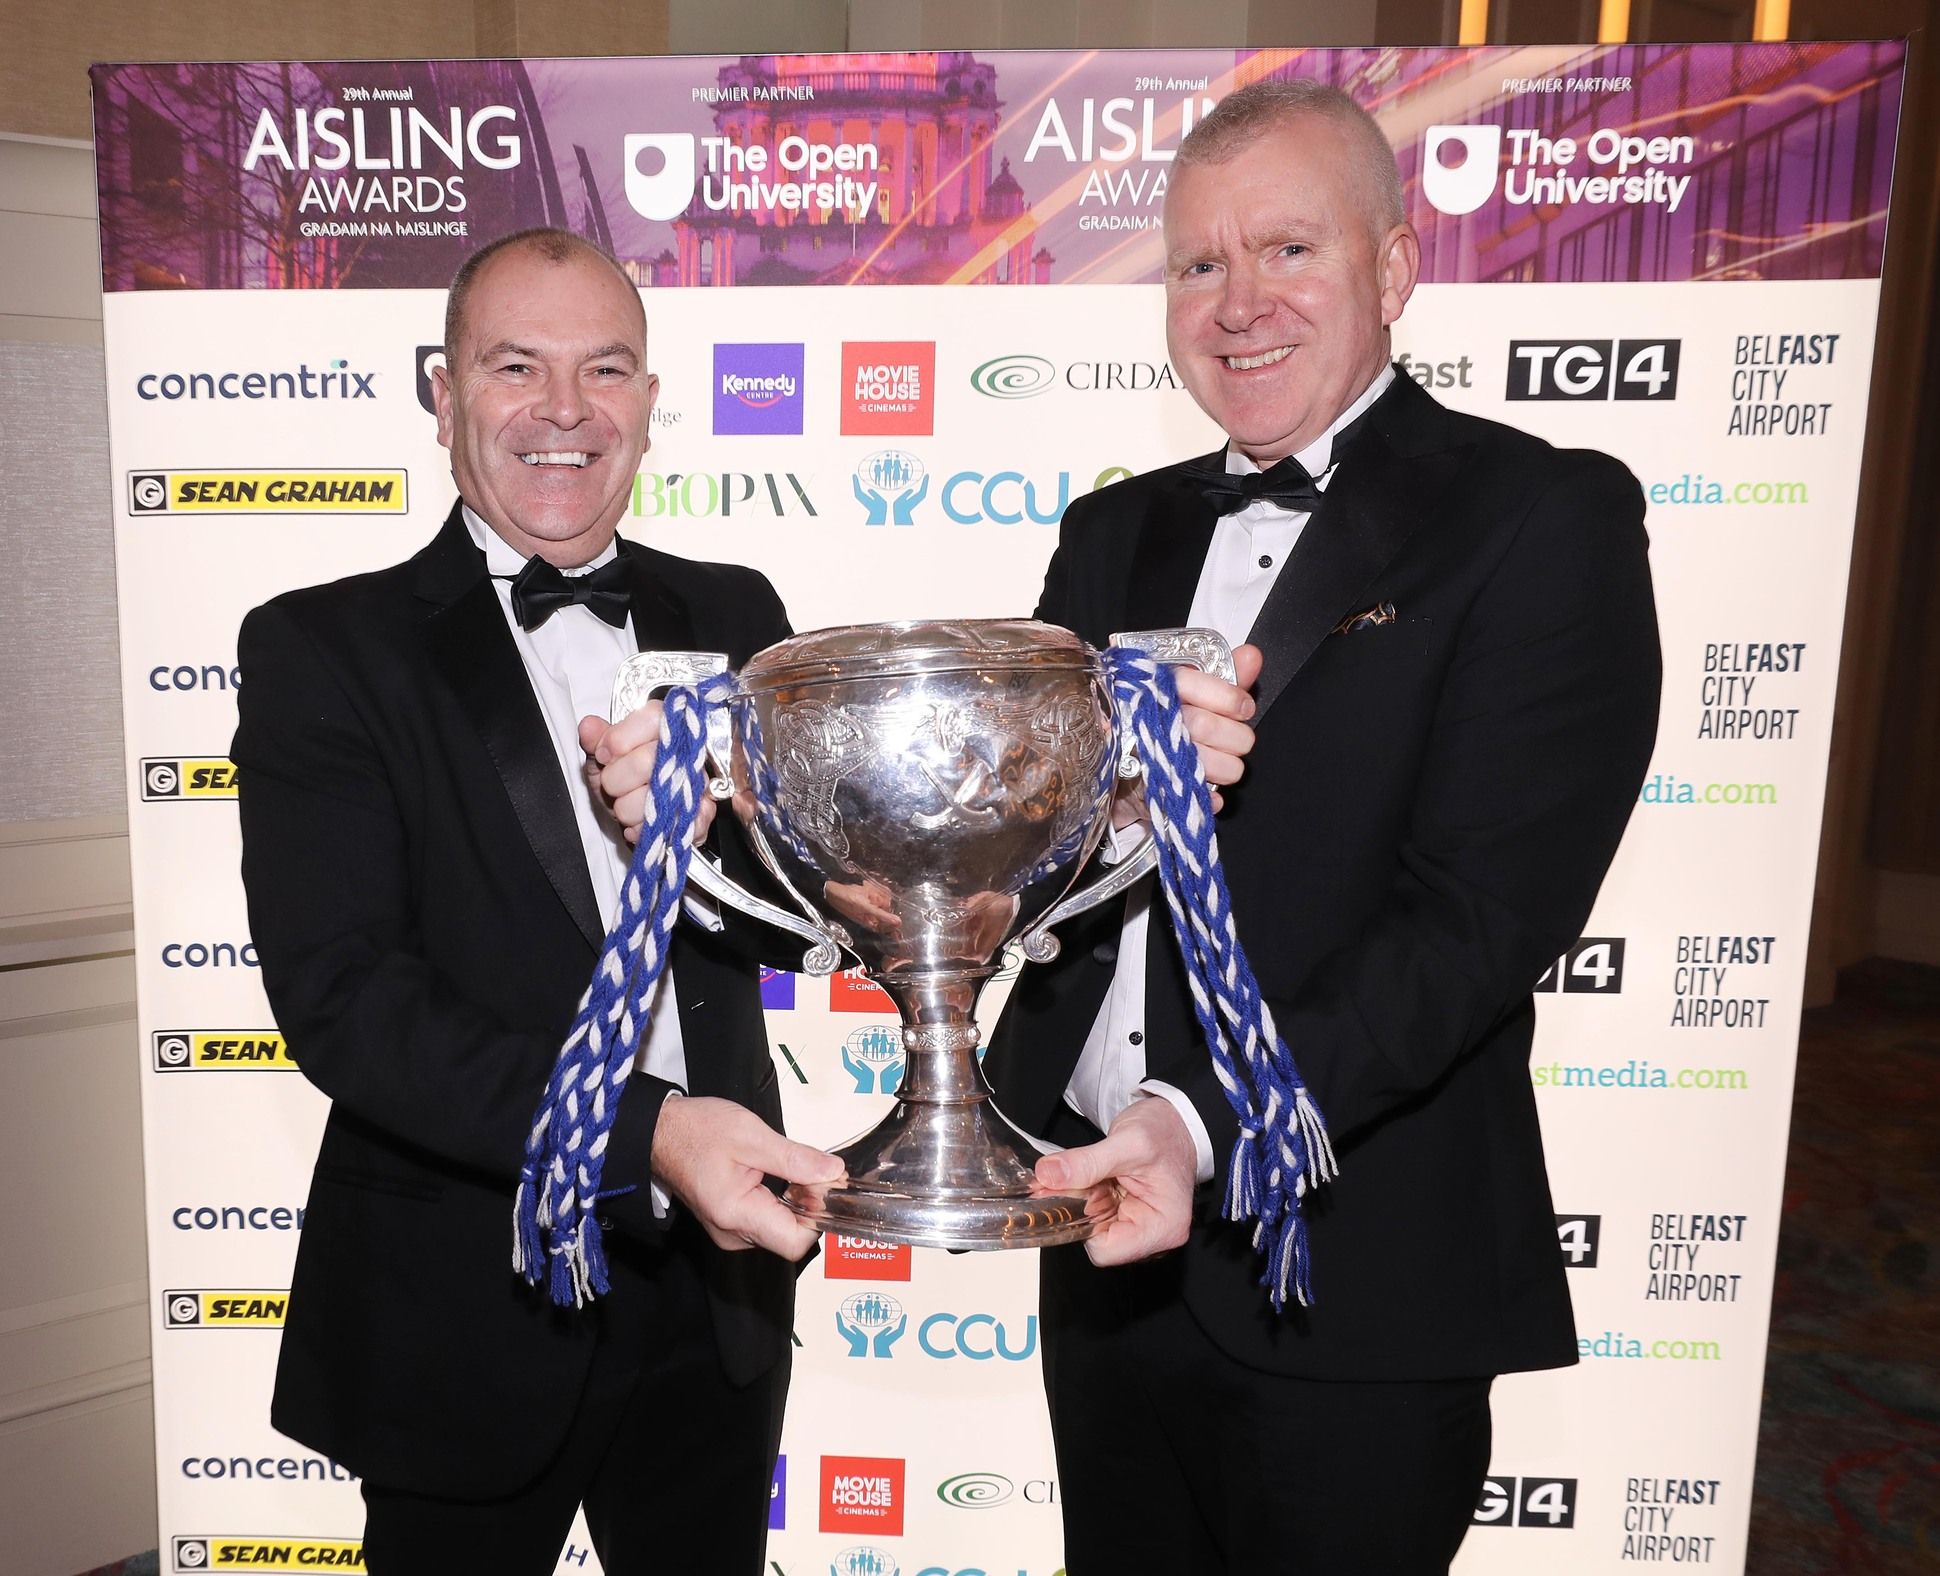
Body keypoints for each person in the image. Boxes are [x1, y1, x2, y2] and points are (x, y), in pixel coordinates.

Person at [981, 80, 1662, 1574]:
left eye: (1289, 250)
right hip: (1096, 1249)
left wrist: (1201, 1127)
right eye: (1199, 264)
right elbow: (1028, 853)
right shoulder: (1114, 531)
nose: (1239, 303)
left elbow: (1477, 922)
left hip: (1354, 1275)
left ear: (1394, 270)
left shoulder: (1538, 516)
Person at [231, 227, 841, 1575]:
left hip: (717, 1281)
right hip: (466, 1296)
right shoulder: (320, 649)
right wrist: (648, 1133)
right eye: (517, 367)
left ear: (647, 402)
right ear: (444, 396)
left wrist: (735, 850)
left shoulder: (739, 610)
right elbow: (349, 1005)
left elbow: (802, 921)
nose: (565, 412)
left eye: (604, 370)